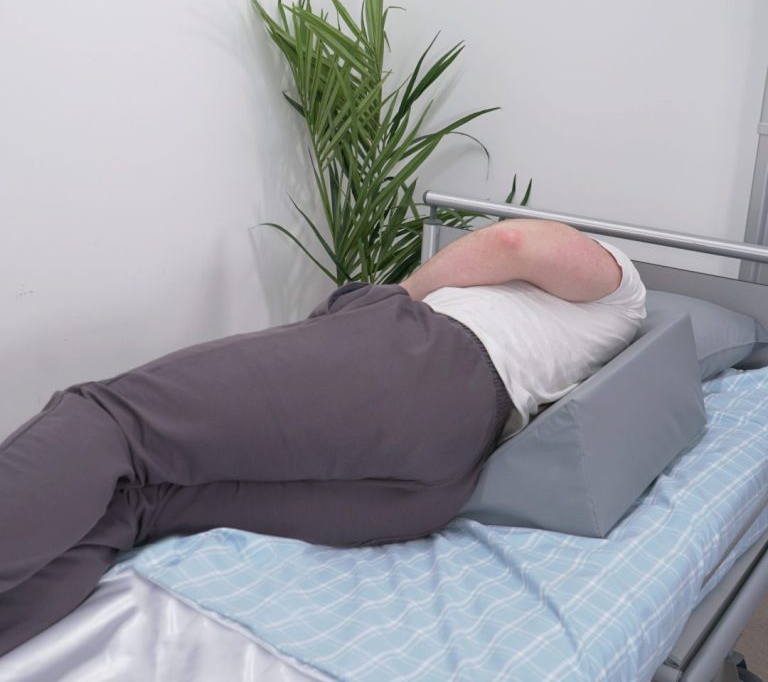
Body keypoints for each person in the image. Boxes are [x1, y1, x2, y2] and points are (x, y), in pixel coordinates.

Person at [0, 217, 645, 655]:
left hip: (418, 366)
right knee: (142, 504)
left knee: (113, 421)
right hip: (441, 479)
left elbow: (513, 242)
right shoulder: (593, 342)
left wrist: (395, 297)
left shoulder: (624, 286)